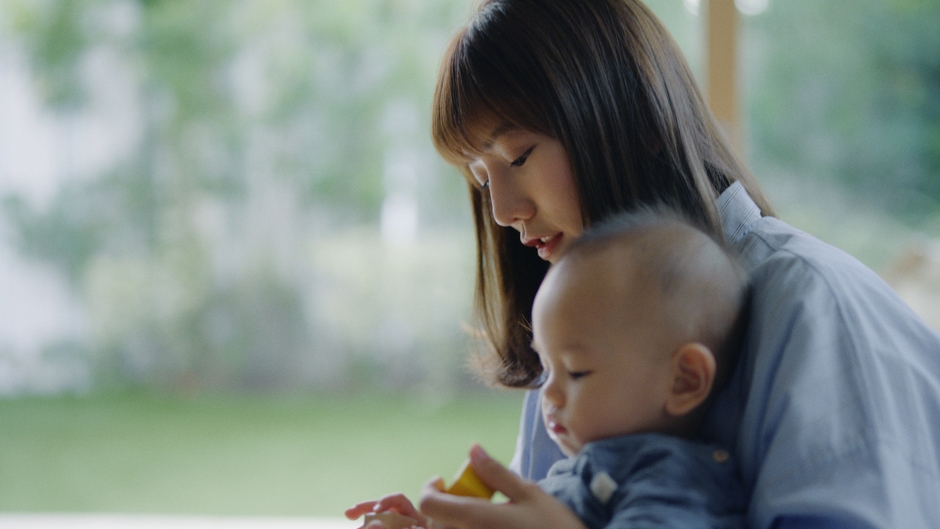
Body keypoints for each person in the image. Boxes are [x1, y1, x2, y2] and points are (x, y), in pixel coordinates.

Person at [361, 0, 940, 527]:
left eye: (521, 155)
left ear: (639, 123)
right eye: (481, 178)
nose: (504, 211)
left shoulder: (815, 308)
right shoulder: (575, 344)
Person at [347, 211, 750, 529]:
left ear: (684, 380)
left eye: (576, 372)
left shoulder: (672, 482)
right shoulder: (576, 472)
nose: (549, 396)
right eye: (546, 367)